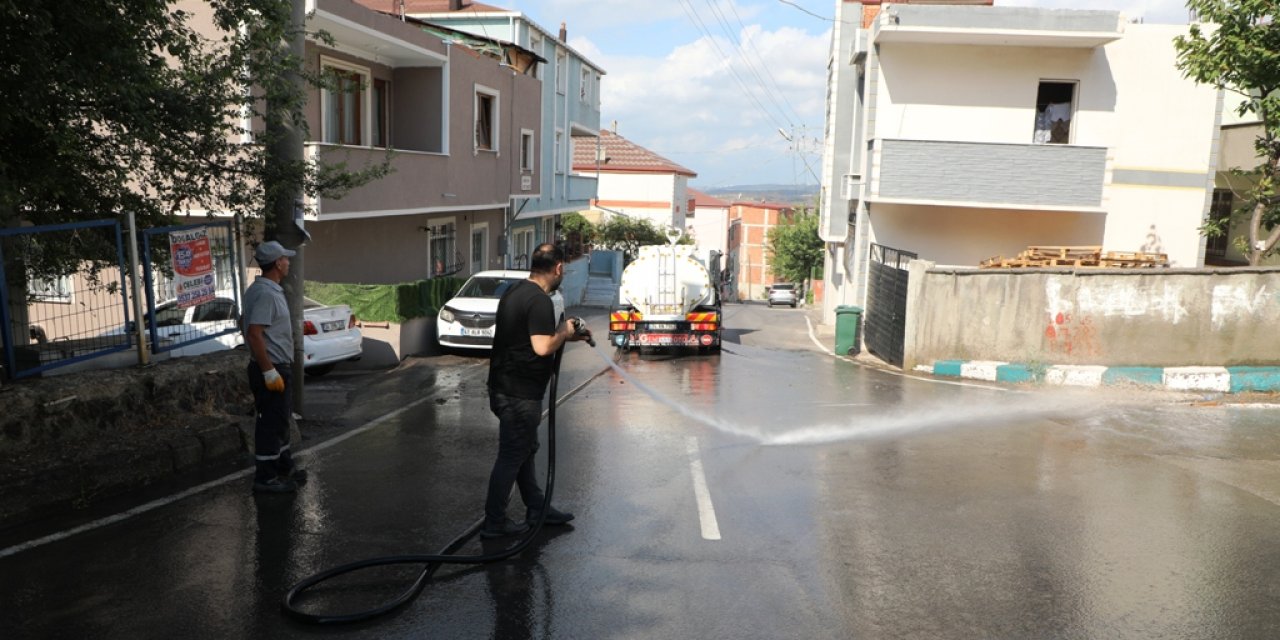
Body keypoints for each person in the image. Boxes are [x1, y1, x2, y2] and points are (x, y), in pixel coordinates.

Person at [483, 243, 591, 538]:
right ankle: (494, 522)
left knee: (524, 450)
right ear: (557, 268)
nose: (564, 273)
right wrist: (565, 332)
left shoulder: (515, 292)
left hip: (503, 387)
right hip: (520, 395)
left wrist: (569, 337)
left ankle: (536, 508)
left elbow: (529, 337)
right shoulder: (541, 301)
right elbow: (543, 346)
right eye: (564, 269)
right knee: (511, 455)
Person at [243, 240, 306, 494]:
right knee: (270, 424)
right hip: (272, 368)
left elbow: (242, 322)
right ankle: (266, 478)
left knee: (280, 420)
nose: (289, 262)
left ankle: (283, 467)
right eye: (285, 259)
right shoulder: (267, 294)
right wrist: (268, 369)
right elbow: (254, 333)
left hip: (275, 366)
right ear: (277, 263)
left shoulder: (264, 290)